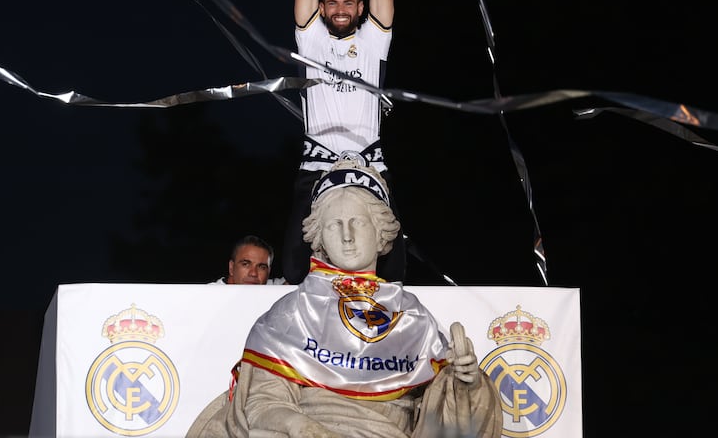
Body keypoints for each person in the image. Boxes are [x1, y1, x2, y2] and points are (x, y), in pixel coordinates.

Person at [186, 162, 501, 438]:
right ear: (319, 236)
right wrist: (299, 426)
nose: (347, 236)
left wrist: (466, 384)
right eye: (335, 225)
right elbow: (262, 402)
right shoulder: (292, 310)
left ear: (380, 233)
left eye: (358, 222)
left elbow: (442, 418)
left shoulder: (411, 314)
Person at [285, 0, 405, 284]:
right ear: (321, 8)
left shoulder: (373, 41)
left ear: (361, 8)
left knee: (391, 269)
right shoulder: (312, 40)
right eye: (333, 3)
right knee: (295, 268)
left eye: (348, 3)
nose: (340, 10)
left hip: (370, 163)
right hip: (316, 164)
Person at [209, 235, 286, 285]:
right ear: (231, 267)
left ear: (269, 271)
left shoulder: (274, 288)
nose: (253, 273)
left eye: (262, 267)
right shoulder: (207, 294)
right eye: (245, 264)